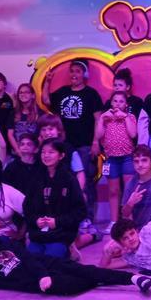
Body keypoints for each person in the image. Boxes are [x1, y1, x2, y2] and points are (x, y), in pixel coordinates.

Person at [0, 223, 151, 295]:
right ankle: (102, 278)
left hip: (44, 266)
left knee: (84, 270)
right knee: (72, 286)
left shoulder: (5, 244)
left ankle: (134, 279)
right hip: (36, 284)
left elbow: (27, 258)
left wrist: (42, 275)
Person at [43, 59, 103, 233]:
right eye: (72, 71)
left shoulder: (91, 94)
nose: (74, 74)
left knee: (86, 182)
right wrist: (47, 81)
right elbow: (46, 100)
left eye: (77, 71)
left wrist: (95, 141)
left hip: (84, 145)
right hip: (64, 146)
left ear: (84, 74)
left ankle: (88, 218)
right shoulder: (62, 92)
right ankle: (70, 218)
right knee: (65, 182)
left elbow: (98, 119)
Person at [23, 139, 86, 258]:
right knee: (32, 260)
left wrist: (57, 222)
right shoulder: (36, 177)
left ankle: (71, 247)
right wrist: (36, 220)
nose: (46, 155)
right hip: (38, 233)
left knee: (50, 259)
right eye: (43, 152)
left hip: (61, 232)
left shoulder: (69, 179)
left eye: (51, 152)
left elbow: (80, 211)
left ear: (61, 155)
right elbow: (27, 207)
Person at [94, 91, 138, 233]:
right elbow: (98, 135)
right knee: (113, 191)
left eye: (121, 101)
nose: (118, 104)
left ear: (126, 105)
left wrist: (125, 117)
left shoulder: (130, 117)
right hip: (111, 159)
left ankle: (129, 220)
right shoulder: (105, 118)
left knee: (128, 190)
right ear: (111, 103)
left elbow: (133, 134)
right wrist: (101, 120)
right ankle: (114, 221)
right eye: (115, 101)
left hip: (127, 158)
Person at [7, 83, 39, 154]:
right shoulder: (13, 113)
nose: (23, 94)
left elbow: (41, 135)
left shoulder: (39, 113)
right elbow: (10, 134)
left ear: (33, 95)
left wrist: (35, 150)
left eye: (26, 92)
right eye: (20, 92)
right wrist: (17, 150)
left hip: (34, 152)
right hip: (17, 151)